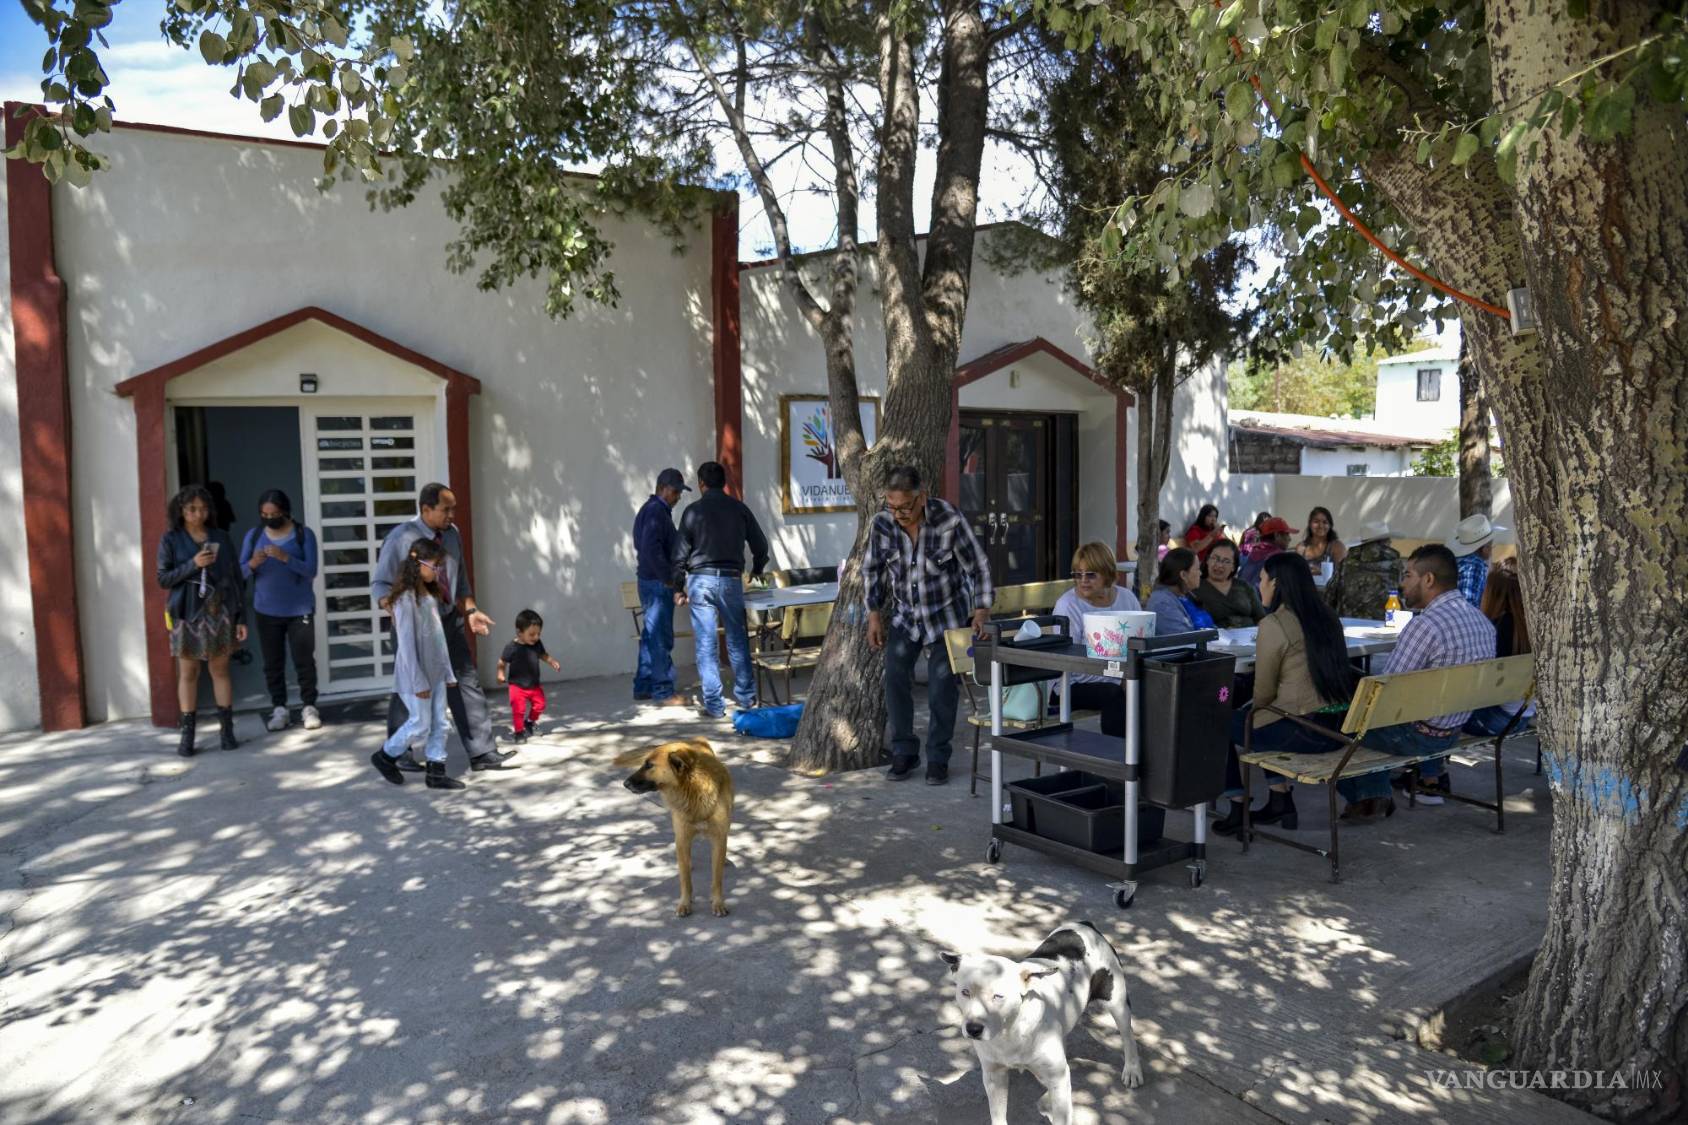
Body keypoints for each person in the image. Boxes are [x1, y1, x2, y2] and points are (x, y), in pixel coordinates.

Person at [370, 483, 515, 775]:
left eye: (454, 508)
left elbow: (459, 579)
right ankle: (399, 753)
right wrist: (395, 610)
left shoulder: (452, 535)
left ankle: (482, 751)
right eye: (445, 509)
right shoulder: (401, 538)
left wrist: (471, 610)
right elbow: (380, 584)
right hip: (415, 625)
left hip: (447, 621)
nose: (452, 514)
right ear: (425, 509)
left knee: (465, 681)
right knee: (411, 684)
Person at [1213, 552, 1360, 835]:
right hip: (1338, 728)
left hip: (1305, 731)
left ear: (1277, 583)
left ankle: (1237, 806)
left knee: (1217, 721)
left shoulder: (1275, 624)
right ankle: (1280, 800)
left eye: (1263, 579)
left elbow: (1264, 693)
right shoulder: (1327, 615)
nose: (1259, 585)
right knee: (1261, 718)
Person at [863, 465, 993, 785]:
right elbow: (873, 570)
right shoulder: (882, 523)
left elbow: (978, 565)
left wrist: (981, 610)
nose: (898, 514)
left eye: (905, 507)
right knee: (894, 679)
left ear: (922, 496)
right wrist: (874, 615)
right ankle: (904, 751)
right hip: (906, 616)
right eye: (891, 506)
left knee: (941, 690)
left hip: (947, 616)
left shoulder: (949, 519)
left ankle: (938, 757)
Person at [1346, 544, 1496, 816]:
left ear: (1428, 579)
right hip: (1456, 728)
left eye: (1408, 575)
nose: (1403, 584)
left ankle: (1370, 796)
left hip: (1419, 737)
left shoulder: (1425, 625)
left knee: (1344, 721)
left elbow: (1385, 691)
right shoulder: (1482, 622)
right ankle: (1414, 781)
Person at [672, 460, 770, 720]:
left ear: (701, 484)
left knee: (706, 644)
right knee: (737, 640)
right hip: (730, 580)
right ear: (723, 483)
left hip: (700, 581)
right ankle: (747, 698)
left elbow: (679, 554)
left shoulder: (692, 512)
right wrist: (757, 570)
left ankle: (715, 705)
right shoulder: (739, 509)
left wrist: (678, 586)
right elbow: (761, 546)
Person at [156, 484, 248, 756]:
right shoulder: (171, 539)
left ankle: (226, 731)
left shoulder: (221, 536)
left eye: (203, 508)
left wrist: (240, 616)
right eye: (192, 509)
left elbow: (235, 579)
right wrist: (194, 564)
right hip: (186, 612)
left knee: (220, 671)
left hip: (219, 611)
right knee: (189, 673)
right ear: (181, 511)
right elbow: (163, 579)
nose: (199, 514)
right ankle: (188, 736)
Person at [368, 539, 463, 790]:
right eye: (434, 566)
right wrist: (418, 680)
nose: (437, 571)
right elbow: (407, 647)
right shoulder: (404, 600)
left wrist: (447, 671)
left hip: (436, 672)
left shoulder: (429, 597)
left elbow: (439, 640)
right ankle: (385, 756)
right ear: (417, 563)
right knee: (420, 724)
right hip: (415, 674)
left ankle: (436, 772)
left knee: (440, 723)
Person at [238, 489, 322, 733]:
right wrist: (253, 564)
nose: (269, 518)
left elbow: (311, 570)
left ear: (285, 511)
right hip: (266, 609)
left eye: (274, 514)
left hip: (299, 608)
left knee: (304, 660)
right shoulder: (254, 536)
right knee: (273, 662)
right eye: (264, 514)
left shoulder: (303, 535)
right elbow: (239, 572)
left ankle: (309, 706)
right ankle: (279, 708)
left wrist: (286, 558)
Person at [1052, 542, 1141, 735]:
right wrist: (1119, 679)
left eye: (1091, 574)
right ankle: (1115, 758)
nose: (1083, 580)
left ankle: (1152, 757)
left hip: (1121, 676)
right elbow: (1070, 663)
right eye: (1078, 574)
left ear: (1107, 573)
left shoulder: (1127, 599)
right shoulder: (1068, 606)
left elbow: (1141, 645)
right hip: (1071, 684)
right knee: (1114, 694)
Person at [633, 468, 691, 707]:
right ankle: (663, 691)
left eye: (679, 492)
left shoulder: (652, 510)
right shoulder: (656, 512)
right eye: (676, 491)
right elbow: (652, 550)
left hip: (650, 581)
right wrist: (669, 579)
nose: (678, 497)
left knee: (650, 636)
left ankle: (644, 686)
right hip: (657, 584)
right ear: (663, 488)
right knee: (659, 638)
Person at [1465, 566, 1535, 736]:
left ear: (1491, 593)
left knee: (1440, 720)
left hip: (1494, 720)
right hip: (1524, 716)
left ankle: (1429, 763)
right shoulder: (1532, 628)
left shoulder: (1493, 629)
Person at [498, 609, 561, 743]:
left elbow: (543, 655)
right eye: (532, 634)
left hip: (533, 684)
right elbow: (502, 661)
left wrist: (552, 661)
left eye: (538, 634)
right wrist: (500, 673)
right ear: (519, 632)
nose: (536, 637)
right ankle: (519, 732)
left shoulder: (537, 644)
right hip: (517, 686)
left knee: (540, 705)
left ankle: (530, 722)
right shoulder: (511, 647)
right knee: (518, 710)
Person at [1324, 520, 1404, 620]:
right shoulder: (1396, 565)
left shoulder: (1345, 564)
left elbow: (1329, 597)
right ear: (1385, 542)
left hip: (1347, 626)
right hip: (1386, 626)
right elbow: (1406, 599)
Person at [1194, 539, 1267, 628]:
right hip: (1215, 640)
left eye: (1226, 561)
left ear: (1233, 567)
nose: (1219, 565)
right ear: (1207, 560)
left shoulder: (1244, 586)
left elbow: (1261, 618)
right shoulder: (1195, 587)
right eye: (1215, 558)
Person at [1146, 548, 1217, 635]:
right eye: (1197, 569)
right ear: (1183, 575)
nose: (1200, 573)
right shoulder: (1162, 603)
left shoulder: (1185, 595)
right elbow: (1183, 639)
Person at [1448, 514, 1505, 608]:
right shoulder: (1476, 565)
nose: (1491, 550)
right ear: (1483, 548)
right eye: (1490, 546)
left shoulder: (1456, 560)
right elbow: (1468, 601)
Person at [1237, 516, 1297, 586]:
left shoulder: (1248, 554)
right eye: (1287, 534)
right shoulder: (1281, 558)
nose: (1289, 539)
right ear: (1277, 535)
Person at [1297, 507, 1348, 573]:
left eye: (1325, 522)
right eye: (1316, 522)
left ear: (1330, 525)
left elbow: (1344, 574)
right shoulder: (1301, 548)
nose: (1320, 526)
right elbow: (1295, 574)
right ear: (1310, 524)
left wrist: (1322, 572)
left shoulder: (1337, 547)